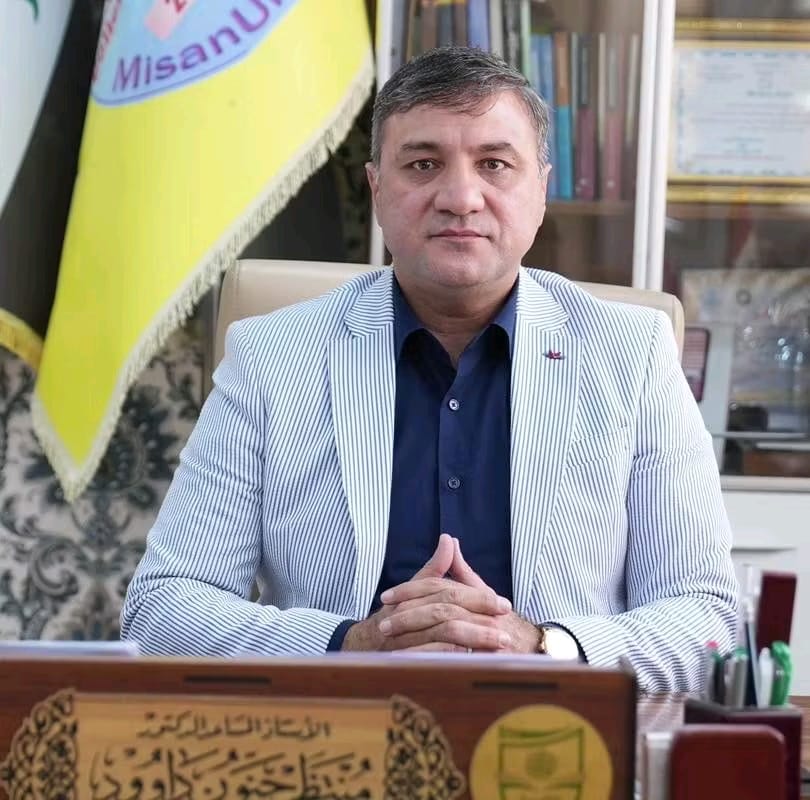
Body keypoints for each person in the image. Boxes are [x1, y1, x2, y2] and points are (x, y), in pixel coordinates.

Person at [121, 47, 737, 691]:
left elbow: (710, 624)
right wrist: (350, 644)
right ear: (377, 189)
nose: (461, 197)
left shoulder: (631, 356)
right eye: (423, 164)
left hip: (553, 728)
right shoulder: (272, 357)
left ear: (540, 190)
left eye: (494, 164)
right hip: (345, 726)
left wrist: (543, 647)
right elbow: (161, 610)